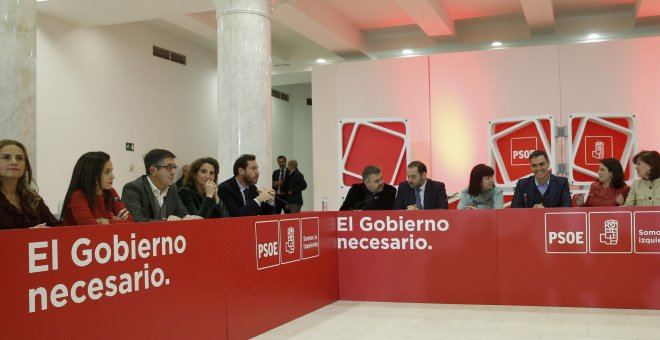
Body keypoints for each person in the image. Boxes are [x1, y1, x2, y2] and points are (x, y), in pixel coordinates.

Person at [122, 149, 201, 222]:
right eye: (169, 167)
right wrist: (167, 222)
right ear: (153, 170)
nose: (173, 172)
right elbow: (138, 221)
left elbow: (182, 214)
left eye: (174, 167)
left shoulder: (172, 188)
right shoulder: (133, 189)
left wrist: (187, 218)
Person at [0, 139, 60, 229]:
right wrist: (28, 235)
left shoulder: (32, 198)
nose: (14, 162)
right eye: (6, 157)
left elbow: (57, 226)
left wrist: (48, 231)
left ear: (25, 166)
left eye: (19, 158)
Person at [61, 152, 132, 225]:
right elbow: (90, 226)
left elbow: (129, 222)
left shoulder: (111, 192)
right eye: (107, 172)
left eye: (111, 171)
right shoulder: (78, 196)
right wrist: (116, 222)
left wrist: (107, 221)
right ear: (92, 175)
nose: (112, 176)